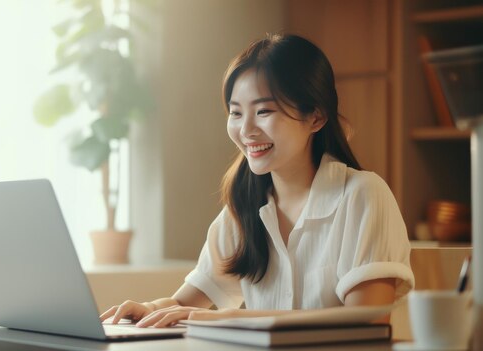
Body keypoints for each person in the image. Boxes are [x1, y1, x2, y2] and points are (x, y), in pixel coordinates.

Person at [100, 33, 414, 328]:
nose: (246, 130)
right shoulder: (244, 206)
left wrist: (226, 317)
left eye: (263, 111)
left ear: (315, 117)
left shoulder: (363, 196)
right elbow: (185, 302)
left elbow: (366, 322)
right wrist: (152, 309)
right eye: (236, 113)